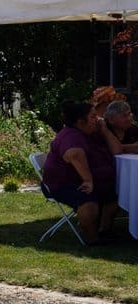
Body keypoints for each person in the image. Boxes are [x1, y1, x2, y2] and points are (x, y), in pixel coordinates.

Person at [42, 102, 120, 245]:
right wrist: (88, 180)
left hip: (84, 179)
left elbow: (117, 150)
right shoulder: (71, 137)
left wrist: (105, 130)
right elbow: (74, 155)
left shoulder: (91, 132)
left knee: (113, 193)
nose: (97, 120)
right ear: (80, 121)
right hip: (63, 184)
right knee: (88, 201)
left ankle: (104, 231)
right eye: (93, 117)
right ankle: (92, 239)